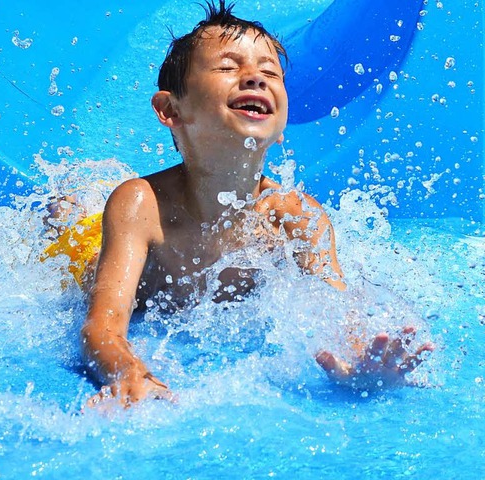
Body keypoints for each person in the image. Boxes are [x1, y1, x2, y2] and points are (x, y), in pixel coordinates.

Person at [44, 0, 434, 408]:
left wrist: (357, 357)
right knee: (67, 223)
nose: (255, 79)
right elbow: (102, 325)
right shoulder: (141, 204)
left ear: (282, 125)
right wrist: (129, 370)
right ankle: (67, 206)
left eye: (270, 72)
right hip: (90, 250)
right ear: (170, 109)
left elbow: (335, 305)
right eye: (229, 67)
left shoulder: (296, 216)